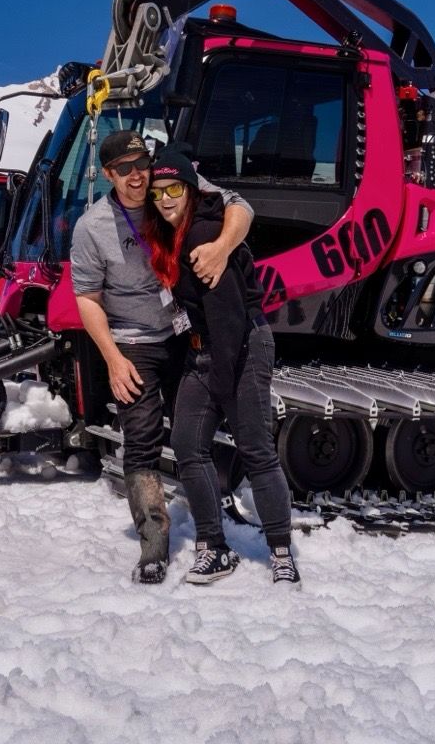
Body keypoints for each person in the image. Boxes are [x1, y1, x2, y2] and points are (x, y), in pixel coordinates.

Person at [70, 130, 253, 585]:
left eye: (141, 163)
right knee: (143, 438)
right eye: (125, 169)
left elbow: (240, 207)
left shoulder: (167, 189)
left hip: (186, 333)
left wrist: (222, 247)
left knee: (199, 433)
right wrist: (112, 359)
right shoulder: (92, 227)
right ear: (108, 174)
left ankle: (216, 526)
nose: (137, 176)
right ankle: (153, 545)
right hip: (134, 343)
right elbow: (87, 298)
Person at [144, 146, 300, 587]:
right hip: (204, 349)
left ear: (192, 190)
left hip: (240, 348)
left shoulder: (203, 238)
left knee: (254, 448)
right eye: (158, 192)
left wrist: (221, 382)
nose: (166, 199)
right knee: (188, 444)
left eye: (174, 188)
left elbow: (229, 319)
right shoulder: (174, 235)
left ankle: (282, 551)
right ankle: (213, 547)